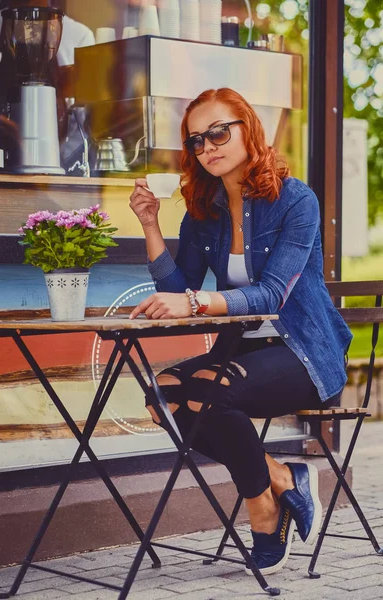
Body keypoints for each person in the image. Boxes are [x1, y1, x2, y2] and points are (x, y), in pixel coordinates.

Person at [128, 87, 353, 575]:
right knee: (162, 395)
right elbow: (179, 286)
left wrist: (191, 302)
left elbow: (273, 294)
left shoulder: (296, 201)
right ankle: (280, 476)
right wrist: (150, 225)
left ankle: (262, 509)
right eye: (196, 141)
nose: (207, 146)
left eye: (218, 132)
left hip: (305, 353)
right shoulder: (201, 209)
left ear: (248, 128)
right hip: (242, 355)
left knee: (209, 392)